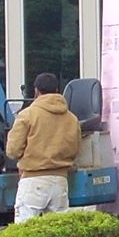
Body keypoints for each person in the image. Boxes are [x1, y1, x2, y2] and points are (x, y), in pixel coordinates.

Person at [5, 72, 81, 223]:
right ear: (58, 90)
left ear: (36, 91)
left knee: (24, 231)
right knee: (57, 232)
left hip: (33, 181)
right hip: (60, 181)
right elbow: (76, 149)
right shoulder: (72, 119)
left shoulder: (27, 115)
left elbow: (12, 150)